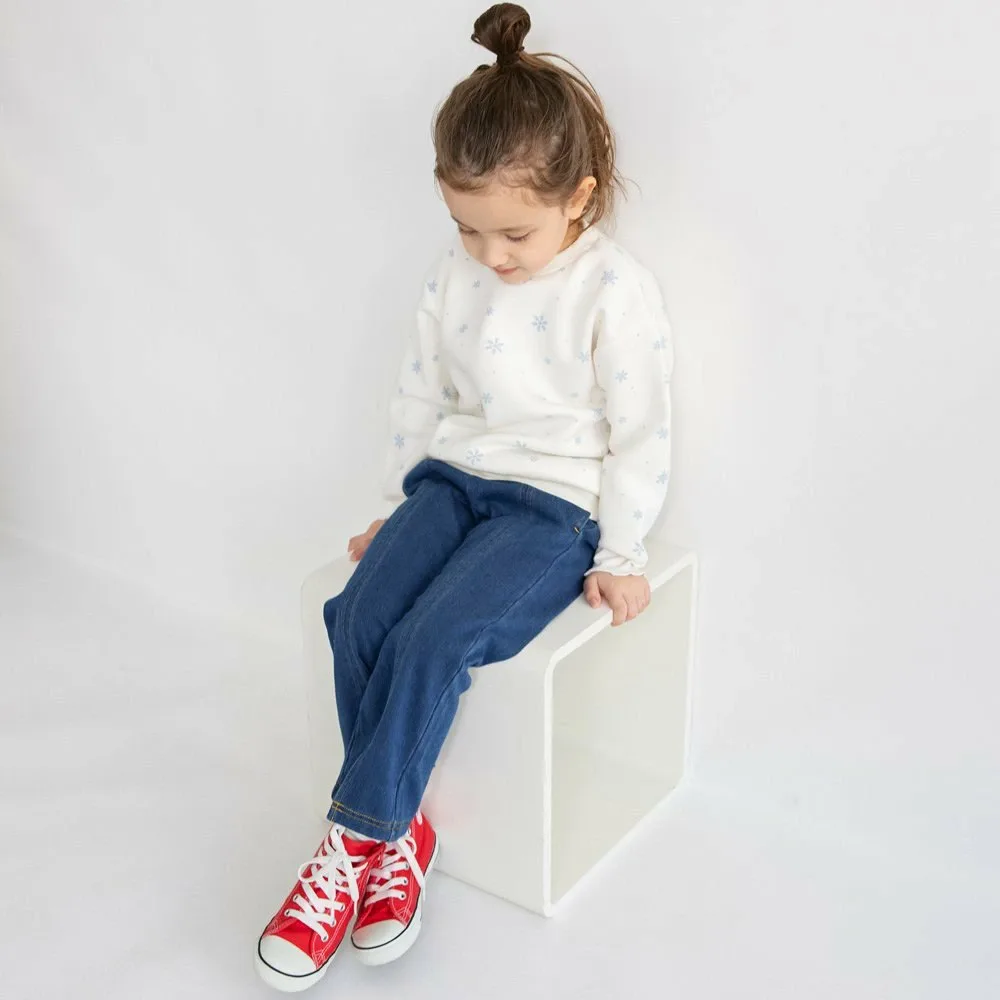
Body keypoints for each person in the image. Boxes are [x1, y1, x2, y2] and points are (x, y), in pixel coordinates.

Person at [255, 3, 673, 990]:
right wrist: (393, 505)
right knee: (356, 613)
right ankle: (400, 836)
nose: (491, 254)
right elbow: (423, 393)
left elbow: (641, 429)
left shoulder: (614, 289)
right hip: (452, 481)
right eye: (466, 227)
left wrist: (621, 553)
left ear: (579, 196)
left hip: (552, 508)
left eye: (514, 231)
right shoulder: (457, 275)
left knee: (432, 639)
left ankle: (352, 843)